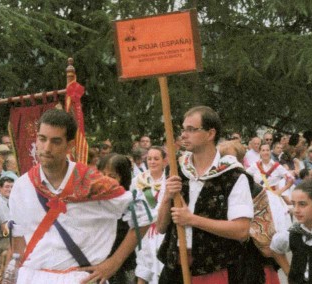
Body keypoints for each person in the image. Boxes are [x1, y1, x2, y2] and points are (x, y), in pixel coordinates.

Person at [8, 109, 152, 284]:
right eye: (42, 139)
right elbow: (18, 236)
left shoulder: (93, 182)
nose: (46, 148)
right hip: (32, 277)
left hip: (79, 278)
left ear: (69, 146)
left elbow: (143, 214)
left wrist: (114, 264)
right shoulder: (22, 186)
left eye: (55, 141)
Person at [156, 106, 254, 283]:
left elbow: (241, 231)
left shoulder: (233, 176)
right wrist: (167, 198)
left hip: (215, 269)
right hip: (175, 267)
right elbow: (161, 227)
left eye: (192, 130)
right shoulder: (175, 171)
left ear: (210, 134)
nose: (184, 135)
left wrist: (192, 220)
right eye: (183, 129)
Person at [270, 180, 312, 283]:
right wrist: (289, 273)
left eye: (302, 204)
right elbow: (275, 247)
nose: (296, 210)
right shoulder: (293, 232)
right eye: (293, 204)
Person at [99, 153, 137, 284]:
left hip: (122, 267)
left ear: (123, 178)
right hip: (97, 265)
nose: (105, 179)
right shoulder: (92, 200)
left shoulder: (130, 201)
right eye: (102, 174)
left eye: (112, 176)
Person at [132, 146, 167, 284]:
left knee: (159, 260)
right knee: (144, 259)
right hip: (144, 228)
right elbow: (133, 203)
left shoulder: (168, 180)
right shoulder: (138, 180)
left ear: (164, 161)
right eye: (149, 159)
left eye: (156, 159)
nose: (152, 162)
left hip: (161, 227)